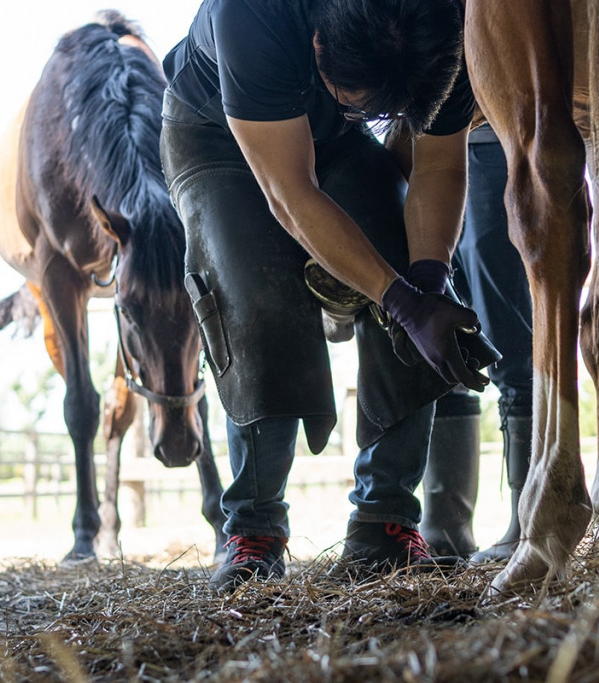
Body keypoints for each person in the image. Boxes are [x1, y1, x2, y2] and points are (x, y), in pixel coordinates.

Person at [159, 0, 491, 590]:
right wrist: (402, 305)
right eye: (363, 101)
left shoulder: (442, 33)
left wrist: (428, 286)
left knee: (410, 274)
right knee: (254, 295)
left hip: (334, 134)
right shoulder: (252, 15)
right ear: (318, 43)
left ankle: (383, 522)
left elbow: (437, 166)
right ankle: (253, 527)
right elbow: (290, 191)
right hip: (216, 136)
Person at [419, 123, 534, 562]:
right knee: (441, 348)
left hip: (495, 143)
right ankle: (445, 526)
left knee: (511, 341)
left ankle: (528, 518)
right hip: (426, 149)